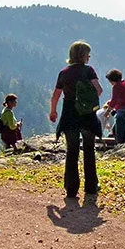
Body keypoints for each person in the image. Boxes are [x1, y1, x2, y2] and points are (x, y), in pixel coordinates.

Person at [49, 41, 104, 198]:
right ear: (82, 55)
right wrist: (87, 101)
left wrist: (53, 112)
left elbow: (56, 95)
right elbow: (99, 90)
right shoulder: (89, 71)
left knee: (72, 151)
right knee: (89, 149)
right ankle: (91, 187)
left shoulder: (64, 72)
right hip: (87, 116)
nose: (89, 56)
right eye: (88, 53)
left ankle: (71, 189)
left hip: (69, 115)